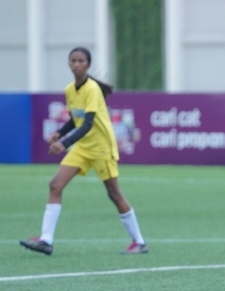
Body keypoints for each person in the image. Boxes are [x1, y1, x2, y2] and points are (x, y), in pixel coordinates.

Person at [20, 47, 147, 256]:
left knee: (114, 194)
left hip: (101, 148)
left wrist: (63, 143)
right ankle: (46, 240)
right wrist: (59, 133)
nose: (76, 64)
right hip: (82, 147)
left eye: (81, 61)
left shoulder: (92, 89)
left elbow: (87, 124)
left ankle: (139, 242)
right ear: (69, 64)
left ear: (88, 64)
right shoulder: (70, 89)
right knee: (55, 185)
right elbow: (75, 118)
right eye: (73, 61)